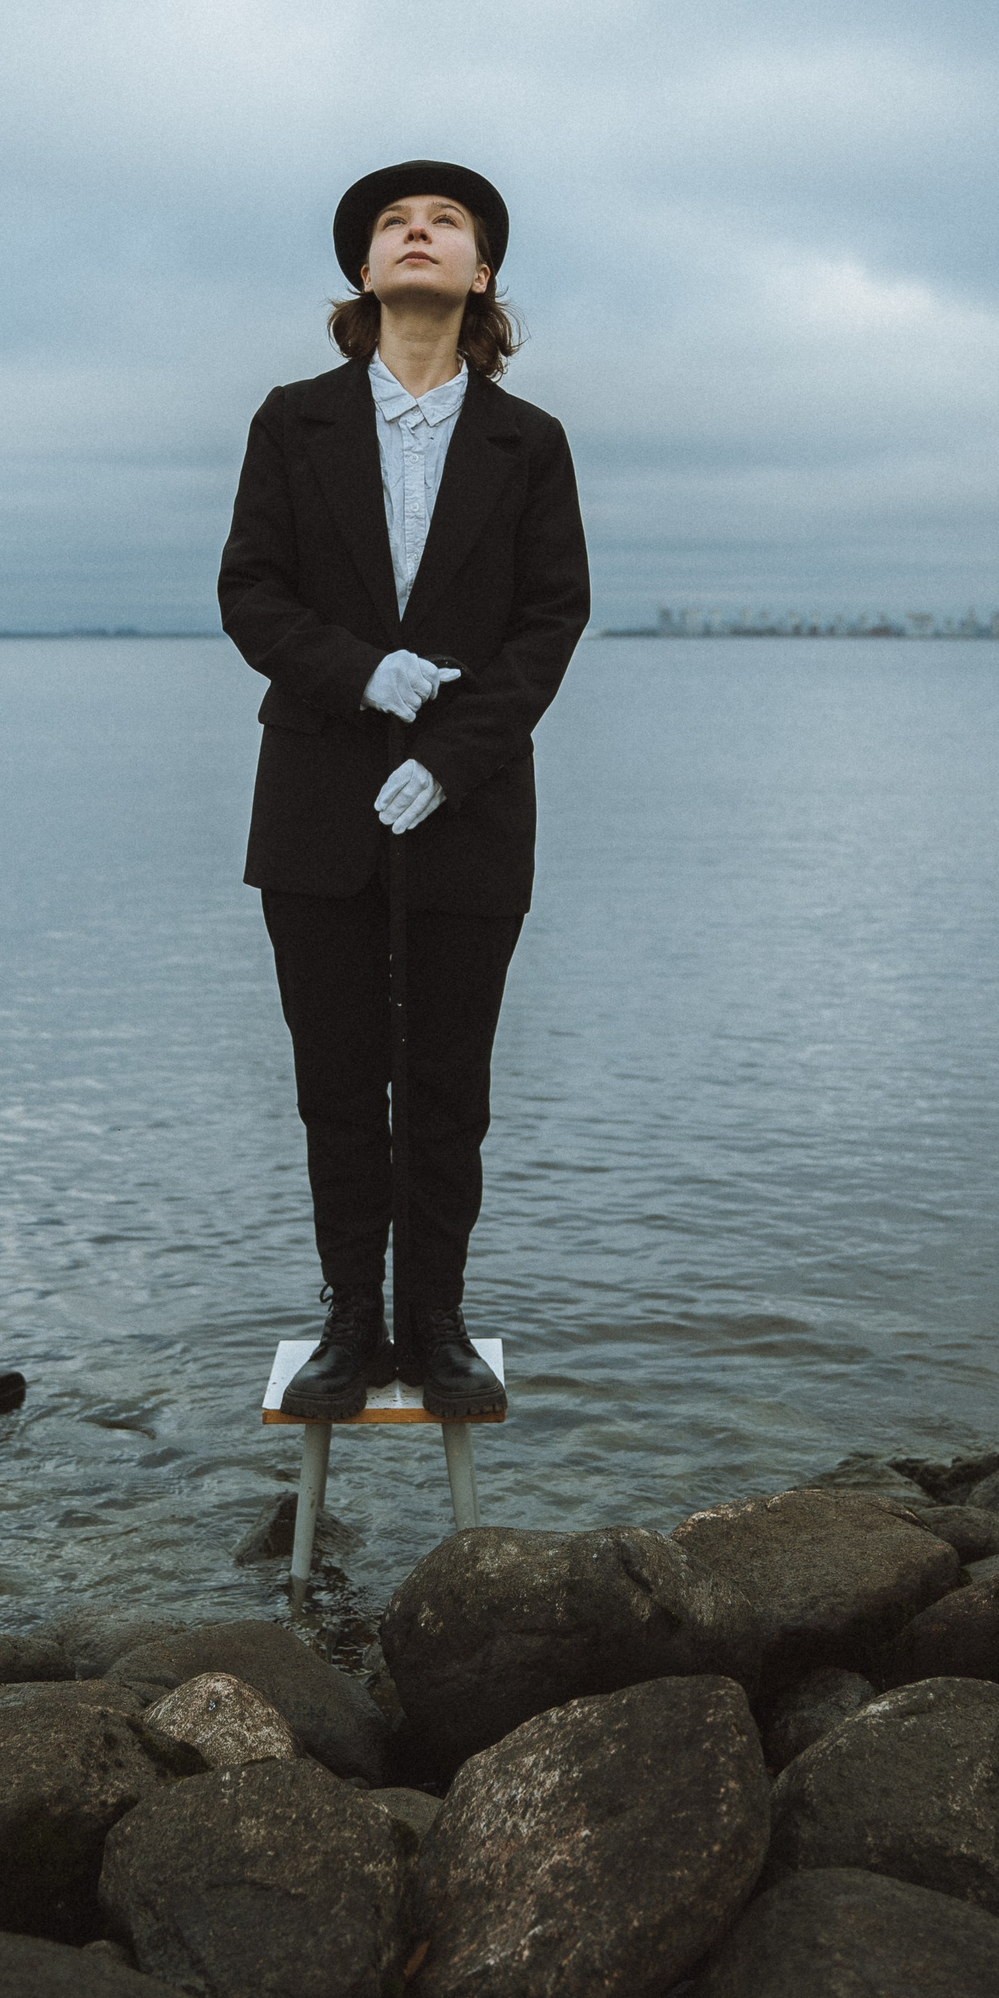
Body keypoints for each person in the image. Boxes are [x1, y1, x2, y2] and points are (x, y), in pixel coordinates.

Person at [218, 159, 590, 1421]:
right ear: (364, 272)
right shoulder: (292, 421)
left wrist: (446, 760)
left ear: (481, 274)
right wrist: (361, 675)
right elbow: (251, 593)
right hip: (315, 805)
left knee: (445, 1092)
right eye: (393, 223)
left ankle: (435, 1326)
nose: (416, 233)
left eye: (444, 223)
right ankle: (350, 1325)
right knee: (336, 1087)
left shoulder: (531, 443)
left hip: (471, 814)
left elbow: (550, 622)